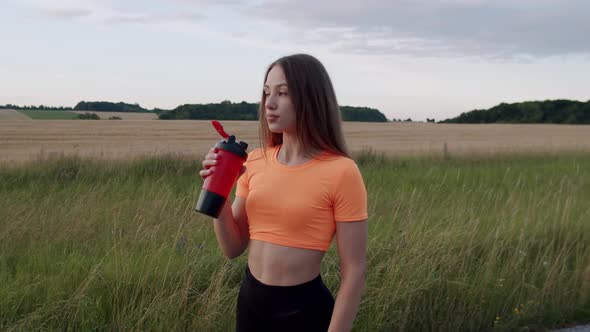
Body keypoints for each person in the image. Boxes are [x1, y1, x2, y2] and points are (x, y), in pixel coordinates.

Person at [199, 53, 368, 332]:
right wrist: (218, 191)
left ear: (311, 98)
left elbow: (354, 270)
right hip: (250, 306)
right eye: (266, 93)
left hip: (304, 313)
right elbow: (232, 248)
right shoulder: (253, 161)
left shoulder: (342, 171)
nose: (270, 103)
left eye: (283, 93)